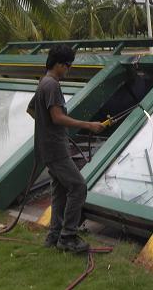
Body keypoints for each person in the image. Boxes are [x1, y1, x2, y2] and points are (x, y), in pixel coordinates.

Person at [27, 45, 105, 253]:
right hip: (55, 149)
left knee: (60, 191)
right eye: (68, 66)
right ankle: (68, 236)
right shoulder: (52, 85)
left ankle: (54, 236)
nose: (68, 70)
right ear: (60, 64)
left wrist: (47, 129)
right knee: (78, 187)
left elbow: (31, 109)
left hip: (49, 146)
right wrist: (89, 125)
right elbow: (57, 117)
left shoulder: (43, 82)